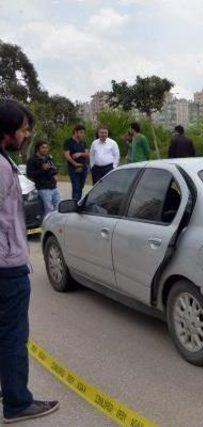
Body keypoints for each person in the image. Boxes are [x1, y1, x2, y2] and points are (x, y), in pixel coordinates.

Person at [0, 99, 60, 424]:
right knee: (13, 335)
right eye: (23, 129)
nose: (26, 135)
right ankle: (17, 403)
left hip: (8, 261)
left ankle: (7, 387)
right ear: (7, 130)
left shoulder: (5, 160)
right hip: (6, 268)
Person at [26, 140, 60, 215]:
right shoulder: (32, 160)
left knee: (58, 208)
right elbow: (30, 174)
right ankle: (49, 225)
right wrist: (42, 169)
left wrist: (55, 174)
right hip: (43, 188)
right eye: (43, 148)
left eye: (46, 148)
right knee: (49, 210)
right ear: (38, 149)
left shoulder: (48, 158)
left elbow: (54, 169)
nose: (45, 149)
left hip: (53, 187)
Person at [63, 124, 89, 201]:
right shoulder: (68, 142)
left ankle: (78, 202)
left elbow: (88, 154)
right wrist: (75, 164)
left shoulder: (83, 143)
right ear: (75, 132)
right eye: (81, 132)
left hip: (84, 167)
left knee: (81, 187)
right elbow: (67, 155)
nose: (83, 134)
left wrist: (80, 154)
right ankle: (74, 204)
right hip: (73, 168)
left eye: (83, 133)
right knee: (76, 187)